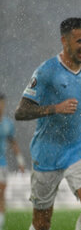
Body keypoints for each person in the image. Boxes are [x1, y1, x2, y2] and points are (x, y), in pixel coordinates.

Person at [15, 17, 81, 230]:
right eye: (80, 41)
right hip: (47, 152)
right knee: (41, 224)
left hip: (79, 149)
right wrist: (54, 108)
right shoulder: (46, 71)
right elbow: (21, 112)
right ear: (64, 41)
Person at [0, 93, 25, 230]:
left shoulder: (7, 124)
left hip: (1, 164)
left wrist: (20, 162)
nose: (1, 107)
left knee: (1, 195)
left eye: (2, 104)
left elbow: (13, 143)